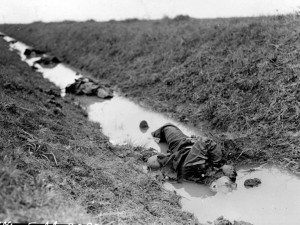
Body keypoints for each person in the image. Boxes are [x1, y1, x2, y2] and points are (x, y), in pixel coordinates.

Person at [148, 123, 237, 189]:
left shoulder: (196, 169)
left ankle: (152, 136)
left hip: (180, 148)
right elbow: (207, 142)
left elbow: (206, 142)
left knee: (168, 128)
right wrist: (222, 164)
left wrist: (221, 165)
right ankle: (153, 135)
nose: (231, 171)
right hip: (187, 144)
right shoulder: (217, 171)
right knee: (167, 128)